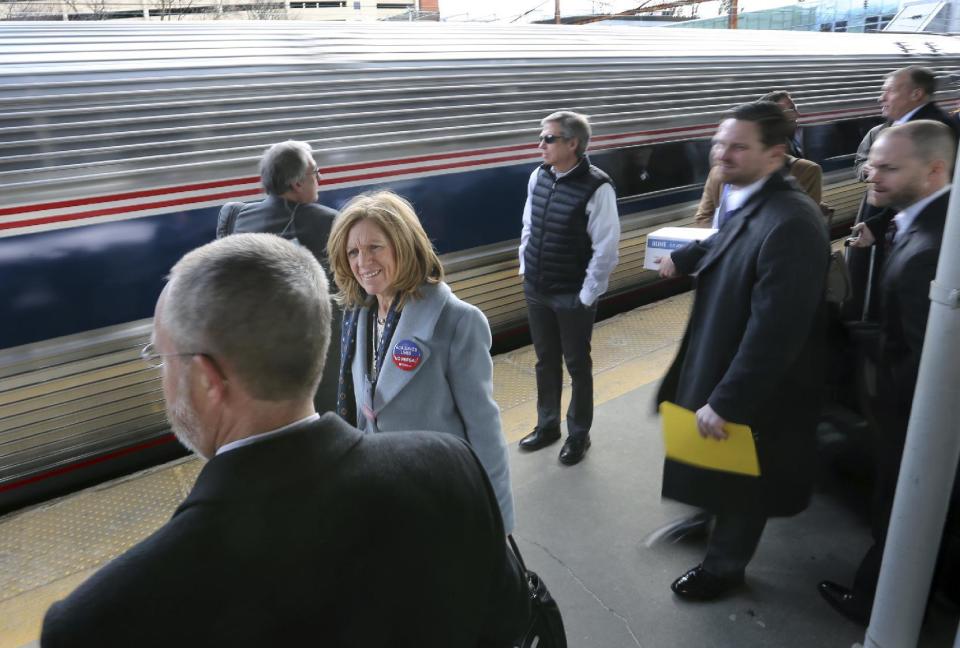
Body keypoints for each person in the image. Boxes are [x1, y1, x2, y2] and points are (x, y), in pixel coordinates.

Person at [40, 233, 529, 648]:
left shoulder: (97, 623)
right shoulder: (450, 466)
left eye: (162, 357)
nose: (162, 374)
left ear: (208, 381)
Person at [655, 101, 830, 600]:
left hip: (752, 383)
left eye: (737, 146)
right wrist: (685, 256)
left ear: (776, 155)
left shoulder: (792, 221)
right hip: (720, 352)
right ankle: (706, 515)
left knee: (744, 477)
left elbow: (776, 330)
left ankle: (724, 569)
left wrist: (729, 401)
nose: (721, 154)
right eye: (719, 143)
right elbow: (726, 241)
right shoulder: (753, 197)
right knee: (717, 460)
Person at [818, 120, 954, 625]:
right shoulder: (924, 222)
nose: (870, 175)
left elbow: (927, 361)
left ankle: (880, 608)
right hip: (909, 411)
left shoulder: (932, 247)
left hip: (917, 420)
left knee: (902, 508)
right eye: (872, 163)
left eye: (888, 167)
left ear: (935, 170)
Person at [327, 191, 515, 533]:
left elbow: (485, 430)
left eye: (375, 247)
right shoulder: (358, 318)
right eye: (353, 252)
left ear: (403, 244)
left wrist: (496, 524)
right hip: (381, 495)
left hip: (440, 496)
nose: (362, 262)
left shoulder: (457, 322)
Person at [516, 110, 620, 466]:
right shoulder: (539, 176)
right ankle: (548, 425)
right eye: (541, 137)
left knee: (577, 365)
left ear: (572, 143)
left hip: (572, 293)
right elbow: (529, 224)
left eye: (548, 138)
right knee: (545, 361)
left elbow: (606, 248)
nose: (540, 144)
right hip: (538, 287)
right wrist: (525, 266)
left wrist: (587, 295)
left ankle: (579, 435)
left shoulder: (597, 186)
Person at [216, 140, 340, 415]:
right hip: (318, 358)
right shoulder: (331, 223)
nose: (319, 179)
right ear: (296, 183)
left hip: (257, 356)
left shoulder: (234, 217)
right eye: (315, 173)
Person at [845, 66, 958, 321]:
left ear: (916, 93)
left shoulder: (932, 130)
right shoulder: (900, 126)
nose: (881, 97)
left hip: (901, 235)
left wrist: (879, 223)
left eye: (889, 91)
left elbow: (927, 193)